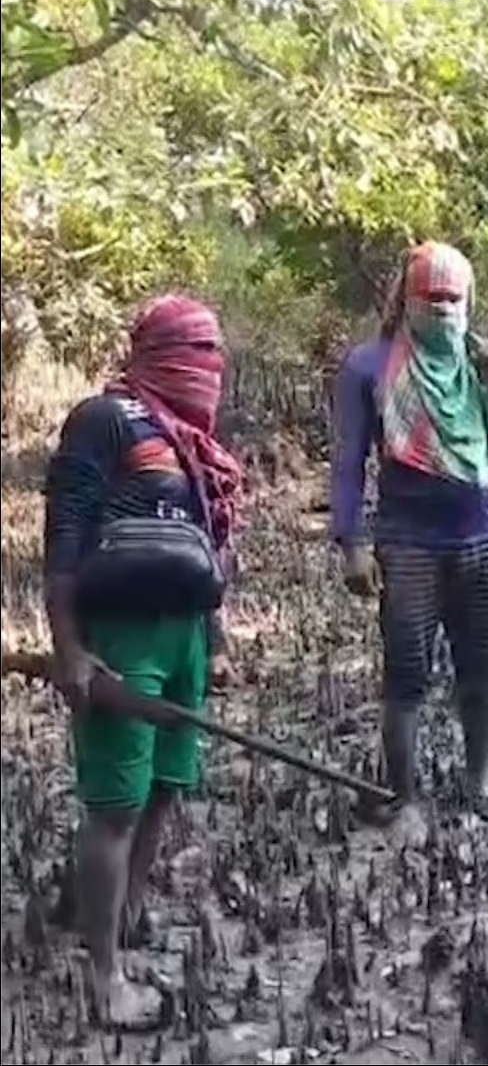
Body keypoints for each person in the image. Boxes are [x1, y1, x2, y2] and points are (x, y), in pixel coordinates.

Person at [42, 295, 244, 1028]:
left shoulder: (197, 443)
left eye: (215, 352)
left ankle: (120, 922)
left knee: (163, 789)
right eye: (194, 350)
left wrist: (215, 640)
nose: (208, 367)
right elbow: (65, 538)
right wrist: (70, 648)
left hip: (183, 634)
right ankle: (103, 978)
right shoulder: (105, 420)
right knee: (116, 805)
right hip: (119, 635)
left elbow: (204, 549)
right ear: (152, 352)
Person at [330, 241, 488, 829]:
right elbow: (348, 461)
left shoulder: (480, 366)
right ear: (407, 299)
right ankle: (405, 797)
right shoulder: (368, 366)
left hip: (481, 539)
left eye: (454, 298)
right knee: (407, 674)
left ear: (469, 302)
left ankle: (477, 783)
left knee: (481, 672)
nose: (443, 309)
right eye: (431, 297)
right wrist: (353, 541)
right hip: (407, 541)